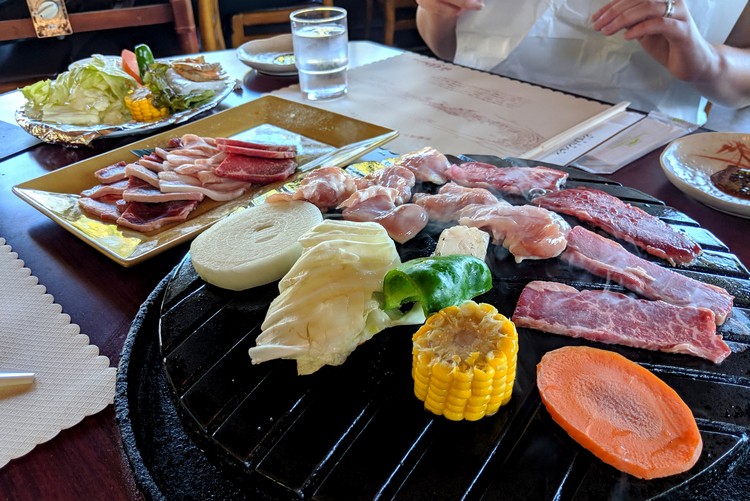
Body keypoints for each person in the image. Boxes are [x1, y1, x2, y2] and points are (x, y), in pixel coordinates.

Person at [415, 0, 750, 125]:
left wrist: (706, 61)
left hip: (638, 159)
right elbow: (450, 47)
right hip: (477, 129)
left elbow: (743, 89)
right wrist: (436, 12)